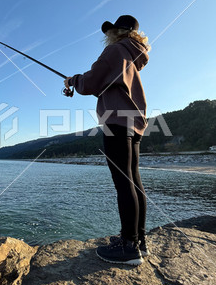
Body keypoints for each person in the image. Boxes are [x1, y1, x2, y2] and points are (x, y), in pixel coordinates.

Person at [64, 15, 151, 266]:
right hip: (134, 122)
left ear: (118, 33)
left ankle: (128, 248)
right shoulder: (134, 55)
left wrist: (73, 81)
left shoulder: (115, 51)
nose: (107, 36)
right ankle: (138, 241)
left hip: (116, 120)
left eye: (110, 31)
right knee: (133, 181)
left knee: (124, 183)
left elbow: (91, 82)